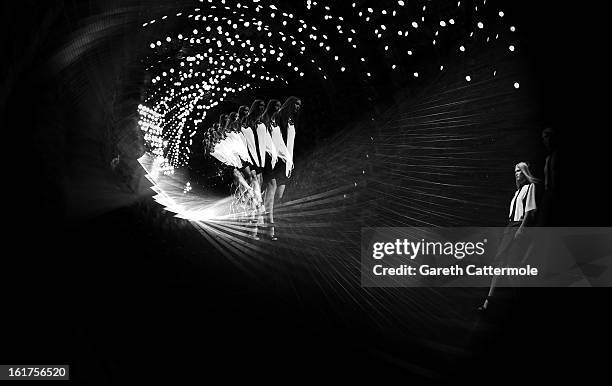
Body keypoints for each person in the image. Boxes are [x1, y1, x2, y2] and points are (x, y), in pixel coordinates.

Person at [479, 162, 539, 311]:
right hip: (509, 228)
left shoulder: (530, 187)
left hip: (517, 227)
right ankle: (488, 303)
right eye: (515, 171)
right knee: (500, 266)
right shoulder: (516, 192)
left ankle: (519, 301)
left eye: (519, 171)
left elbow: (529, 212)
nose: (516, 173)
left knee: (512, 266)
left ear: (525, 172)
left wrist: (521, 229)